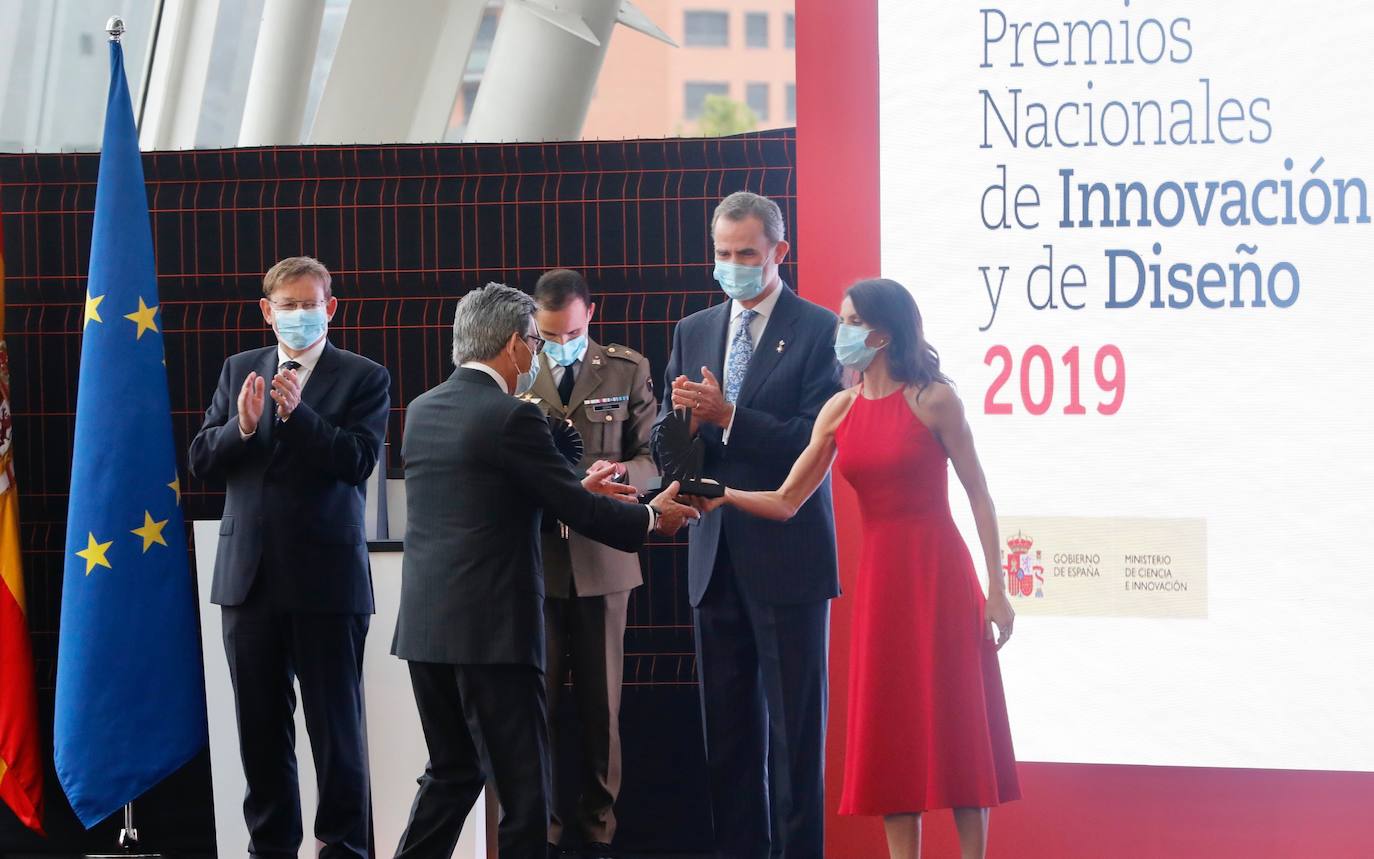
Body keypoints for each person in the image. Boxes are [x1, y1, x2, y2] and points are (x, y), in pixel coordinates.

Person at [691, 278, 1020, 859]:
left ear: (883, 333)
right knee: (892, 728)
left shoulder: (934, 399)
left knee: (959, 720)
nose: (838, 332)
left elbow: (980, 495)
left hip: (941, 575)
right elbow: (788, 499)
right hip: (882, 585)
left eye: (848, 322)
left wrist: (998, 588)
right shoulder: (838, 410)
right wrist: (724, 494)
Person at [390, 283, 697, 859]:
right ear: (513, 346)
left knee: (452, 773)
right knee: (525, 793)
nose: (538, 353)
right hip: (495, 636)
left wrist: (571, 489)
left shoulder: (424, 409)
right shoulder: (511, 417)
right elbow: (576, 512)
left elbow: (489, 508)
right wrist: (652, 518)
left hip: (428, 632)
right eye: (535, 341)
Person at [657, 191, 841, 858]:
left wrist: (731, 413)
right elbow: (667, 439)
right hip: (714, 557)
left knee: (794, 744)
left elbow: (811, 441)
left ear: (779, 253)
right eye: (722, 254)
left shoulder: (820, 329)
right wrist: (681, 427)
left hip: (787, 558)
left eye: (746, 254)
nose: (732, 266)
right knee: (728, 743)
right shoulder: (694, 329)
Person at [189, 255, 390, 859]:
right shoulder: (238, 369)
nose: (299, 315)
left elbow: (357, 462)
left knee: (337, 731)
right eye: (288, 305)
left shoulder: (363, 376)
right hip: (248, 581)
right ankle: (270, 847)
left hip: (326, 582)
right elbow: (201, 459)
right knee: (259, 731)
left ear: (331, 308)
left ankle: (343, 846)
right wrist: (242, 429)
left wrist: (295, 415)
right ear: (266, 312)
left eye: (310, 304)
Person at [521, 269, 659, 858]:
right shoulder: (516, 368)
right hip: (536, 557)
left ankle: (599, 830)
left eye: (572, 332)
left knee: (603, 707)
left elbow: (656, 456)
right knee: (538, 702)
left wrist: (622, 478)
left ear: (591, 315)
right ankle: (545, 829)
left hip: (604, 558)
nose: (560, 344)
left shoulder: (626, 368)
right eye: (549, 336)